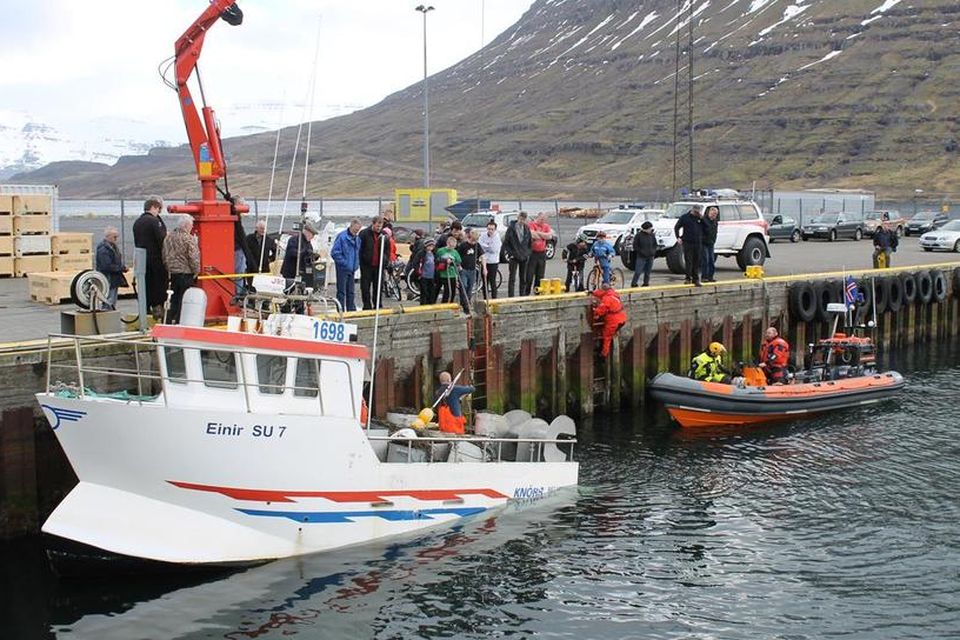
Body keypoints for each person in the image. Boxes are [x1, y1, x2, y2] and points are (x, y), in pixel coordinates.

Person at [132, 195, 167, 319]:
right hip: (156, 261)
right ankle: (158, 311)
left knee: (145, 286)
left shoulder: (137, 222)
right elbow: (162, 240)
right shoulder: (154, 221)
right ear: (153, 207)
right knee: (158, 287)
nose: (159, 211)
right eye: (158, 208)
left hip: (142, 260)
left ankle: (145, 310)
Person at [162, 216, 200, 324]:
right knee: (184, 299)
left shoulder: (168, 237)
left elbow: (164, 255)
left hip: (172, 272)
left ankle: (168, 321)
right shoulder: (189, 238)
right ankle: (179, 322)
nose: (192, 227)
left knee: (173, 299)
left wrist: (168, 267)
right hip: (186, 273)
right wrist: (196, 271)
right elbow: (193, 257)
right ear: (187, 225)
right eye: (191, 225)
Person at [329, 218, 361, 312]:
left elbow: (357, 252)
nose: (356, 232)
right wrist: (345, 263)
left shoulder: (357, 239)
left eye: (358, 231)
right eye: (355, 230)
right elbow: (335, 252)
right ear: (351, 226)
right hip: (343, 268)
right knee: (341, 291)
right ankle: (341, 310)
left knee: (351, 292)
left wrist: (356, 265)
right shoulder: (342, 237)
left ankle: (351, 310)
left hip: (351, 268)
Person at [95, 226, 128, 310]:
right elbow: (106, 266)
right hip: (108, 279)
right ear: (108, 236)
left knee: (112, 301)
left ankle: (109, 317)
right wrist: (121, 268)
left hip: (113, 279)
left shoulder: (112, 247)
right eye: (114, 237)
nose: (116, 239)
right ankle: (106, 318)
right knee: (108, 301)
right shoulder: (103, 249)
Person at [358, 216, 387, 310]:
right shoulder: (364, 234)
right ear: (373, 224)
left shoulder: (384, 235)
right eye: (377, 226)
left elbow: (387, 250)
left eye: (380, 226)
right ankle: (367, 305)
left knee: (378, 286)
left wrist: (385, 261)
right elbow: (359, 249)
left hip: (379, 266)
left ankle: (378, 304)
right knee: (365, 287)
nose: (378, 228)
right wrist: (362, 261)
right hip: (367, 265)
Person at [591, 283, 627, 357]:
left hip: (613, 320)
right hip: (622, 318)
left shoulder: (607, 299)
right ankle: (612, 336)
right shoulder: (613, 293)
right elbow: (600, 293)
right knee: (609, 333)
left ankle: (603, 354)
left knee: (607, 336)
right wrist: (593, 292)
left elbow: (601, 310)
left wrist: (595, 312)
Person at [434, 370, 475, 435]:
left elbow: (448, 401)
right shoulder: (455, 389)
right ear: (449, 380)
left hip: (443, 425)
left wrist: (459, 399)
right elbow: (472, 389)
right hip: (454, 425)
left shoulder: (438, 392)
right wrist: (470, 386)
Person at [674, 204, 704, 286]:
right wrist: (678, 237)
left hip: (698, 242)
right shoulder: (684, 217)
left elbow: (706, 227)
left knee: (696, 262)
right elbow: (677, 227)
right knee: (689, 261)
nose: (696, 213)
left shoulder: (700, 218)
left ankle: (696, 279)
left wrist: (702, 219)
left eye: (698, 212)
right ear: (692, 210)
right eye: (695, 212)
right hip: (687, 242)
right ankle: (688, 278)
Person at [503, 212, 532, 296]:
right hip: (514, 256)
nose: (522, 221)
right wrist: (510, 253)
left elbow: (530, 242)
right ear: (518, 218)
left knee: (523, 277)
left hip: (524, 256)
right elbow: (506, 243)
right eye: (521, 219)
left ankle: (522, 295)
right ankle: (511, 296)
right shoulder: (511, 228)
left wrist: (527, 253)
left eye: (524, 220)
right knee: (512, 277)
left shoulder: (526, 228)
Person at [525, 212, 555, 294]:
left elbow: (549, 236)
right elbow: (532, 235)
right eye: (541, 219)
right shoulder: (531, 224)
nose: (542, 221)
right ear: (537, 217)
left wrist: (539, 234)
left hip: (542, 253)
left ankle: (537, 292)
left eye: (544, 220)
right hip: (532, 253)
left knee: (540, 275)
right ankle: (526, 293)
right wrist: (543, 236)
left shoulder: (546, 226)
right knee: (529, 275)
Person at [456, 229, 480, 314]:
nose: (474, 243)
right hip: (464, 270)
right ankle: (466, 306)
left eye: (475, 241)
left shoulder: (477, 246)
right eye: (473, 241)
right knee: (464, 286)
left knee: (470, 289)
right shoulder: (463, 245)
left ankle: (466, 303)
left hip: (472, 270)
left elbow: (482, 255)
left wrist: (484, 267)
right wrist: (459, 265)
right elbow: (457, 256)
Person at [478, 220, 501, 299]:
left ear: (495, 230)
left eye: (492, 229)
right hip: (484, 260)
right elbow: (480, 245)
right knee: (485, 281)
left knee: (492, 281)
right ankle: (485, 298)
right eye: (488, 229)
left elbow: (494, 249)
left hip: (493, 261)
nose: (490, 231)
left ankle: (494, 299)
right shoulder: (483, 235)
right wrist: (488, 246)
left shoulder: (497, 237)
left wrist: (486, 246)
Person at [436, 235, 462, 304]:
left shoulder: (455, 252)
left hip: (452, 274)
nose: (452, 248)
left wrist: (454, 264)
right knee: (446, 290)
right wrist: (444, 261)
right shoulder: (440, 251)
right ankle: (444, 304)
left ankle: (451, 303)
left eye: (453, 247)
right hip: (443, 274)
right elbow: (436, 260)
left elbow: (458, 261)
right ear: (447, 244)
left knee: (453, 290)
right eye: (451, 246)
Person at [630, 221, 657, 287]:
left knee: (648, 271)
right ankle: (634, 283)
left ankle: (646, 283)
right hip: (641, 256)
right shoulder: (639, 235)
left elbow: (655, 244)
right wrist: (641, 252)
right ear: (646, 229)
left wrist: (653, 251)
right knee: (638, 271)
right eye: (649, 228)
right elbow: (635, 246)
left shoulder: (652, 235)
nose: (651, 230)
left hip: (650, 256)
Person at [412, 237, 437, 305]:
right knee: (424, 291)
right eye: (429, 245)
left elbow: (437, 262)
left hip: (431, 276)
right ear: (426, 245)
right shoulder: (421, 253)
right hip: (423, 275)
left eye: (432, 246)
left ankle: (430, 303)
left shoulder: (434, 253)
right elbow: (415, 263)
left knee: (431, 291)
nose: (431, 247)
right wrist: (418, 272)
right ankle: (423, 304)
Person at [701, 205, 719, 283]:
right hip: (704, 243)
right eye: (713, 213)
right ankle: (704, 276)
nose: (714, 215)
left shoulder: (715, 222)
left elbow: (715, 232)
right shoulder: (704, 220)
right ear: (709, 212)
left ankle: (710, 276)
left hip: (711, 243)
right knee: (705, 259)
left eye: (715, 214)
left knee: (711, 260)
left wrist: (714, 240)